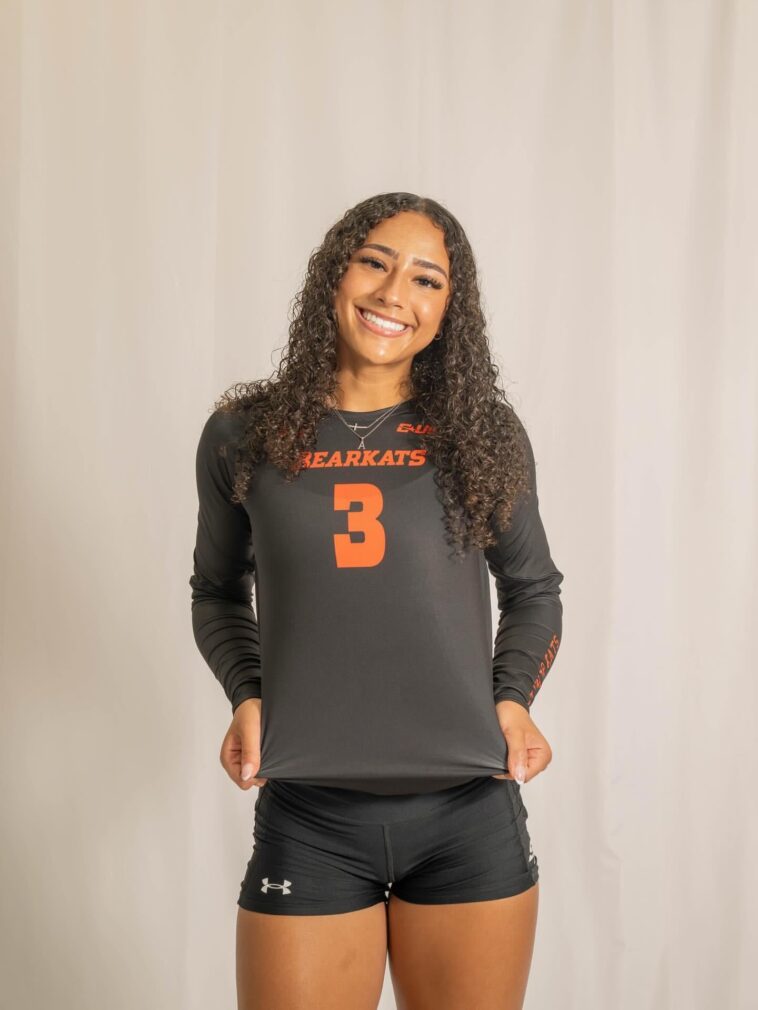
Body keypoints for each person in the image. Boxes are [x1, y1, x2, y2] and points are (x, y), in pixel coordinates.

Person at [189, 192, 564, 1010]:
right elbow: (216, 591)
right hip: (309, 816)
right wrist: (247, 695)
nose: (395, 294)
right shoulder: (242, 435)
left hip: (468, 817)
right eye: (375, 263)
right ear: (336, 273)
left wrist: (513, 700)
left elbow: (534, 587)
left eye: (427, 279)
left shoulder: (482, 435)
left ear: (449, 311)